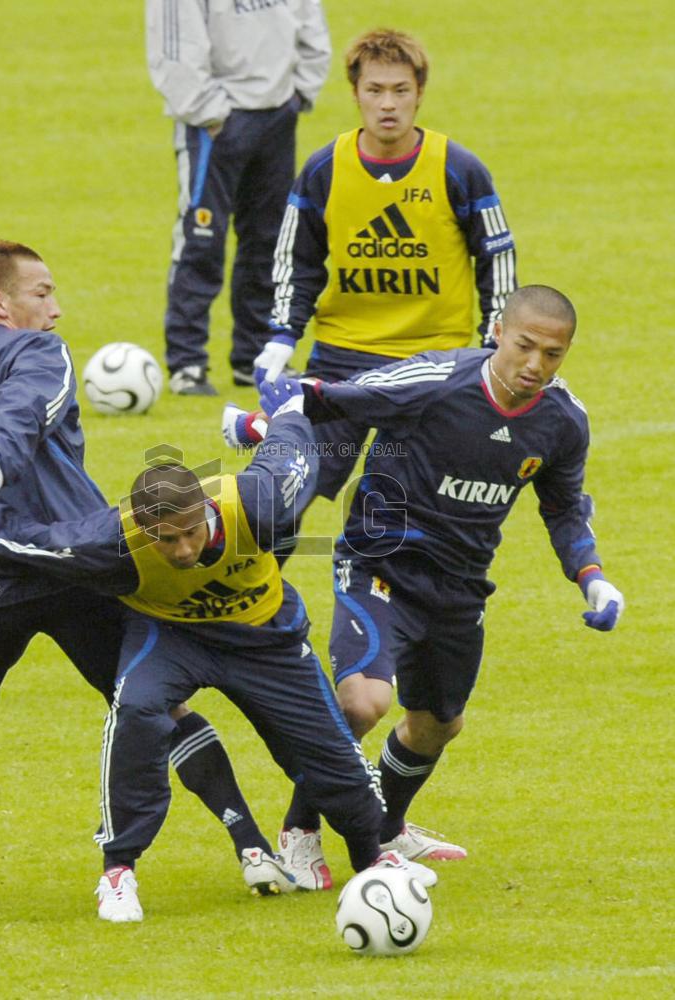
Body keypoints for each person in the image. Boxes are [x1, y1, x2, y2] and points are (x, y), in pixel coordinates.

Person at [0, 402, 437, 922]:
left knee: (331, 758)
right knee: (135, 709)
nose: (180, 550)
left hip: (264, 639)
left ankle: (371, 859)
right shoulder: (112, 541)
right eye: (165, 539)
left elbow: (296, 455)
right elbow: (26, 542)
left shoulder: (257, 504)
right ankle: (118, 871)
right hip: (169, 636)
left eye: (189, 532)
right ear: (143, 529)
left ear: (204, 511)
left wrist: (283, 414)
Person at [0, 239, 266, 883]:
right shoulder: (36, 350)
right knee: (155, 701)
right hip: (72, 560)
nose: (56, 309)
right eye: (43, 293)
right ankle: (254, 847)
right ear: (0, 302)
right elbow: (26, 408)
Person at [253, 285, 625, 881]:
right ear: (498, 331)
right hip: (381, 566)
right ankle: (299, 830)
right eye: (525, 346)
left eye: (552, 354)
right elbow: (338, 398)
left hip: (460, 585)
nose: (535, 365)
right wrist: (271, 415)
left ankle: (387, 828)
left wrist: (592, 578)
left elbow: (563, 509)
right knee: (363, 701)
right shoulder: (437, 381)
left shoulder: (563, 422)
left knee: (437, 723)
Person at [238, 27, 517, 506]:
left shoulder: (458, 169)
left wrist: (494, 342)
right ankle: (260, 582)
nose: (388, 104)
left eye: (400, 90)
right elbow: (296, 258)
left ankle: (387, 580)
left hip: (433, 365)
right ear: (355, 93)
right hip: (343, 359)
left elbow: (498, 257)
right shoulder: (325, 168)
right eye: (375, 90)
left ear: (420, 94)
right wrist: (283, 334)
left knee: (417, 500)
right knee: (289, 486)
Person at [146, 0, 331, 395]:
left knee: (270, 240)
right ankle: (187, 362)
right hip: (214, 123)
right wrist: (209, 113)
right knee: (201, 242)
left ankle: (254, 358)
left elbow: (310, 23)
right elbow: (175, 48)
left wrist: (300, 92)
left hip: (279, 114)